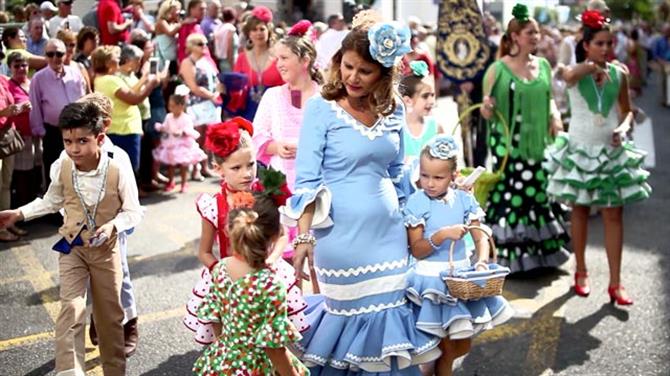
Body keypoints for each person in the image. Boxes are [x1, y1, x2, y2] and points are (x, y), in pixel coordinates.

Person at [284, 11, 440, 373]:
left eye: (364, 71)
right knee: (349, 336)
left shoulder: (394, 110)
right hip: (339, 241)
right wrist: (303, 237)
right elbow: (306, 181)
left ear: (383, 74)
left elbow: (399, 174)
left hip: (390, 237)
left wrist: (416, 223)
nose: (353, 77)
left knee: (391, 330)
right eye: (348, 67)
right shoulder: (321, 110)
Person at [0, 101, 143, 375]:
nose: (74, 148)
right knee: (71, 310)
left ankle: (115, 370)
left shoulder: (118, 166)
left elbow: (133, 212)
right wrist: (19, 213)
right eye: (68, 141)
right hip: (73, 247)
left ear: (100, 138)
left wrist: (113, 225)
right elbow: (51, 201)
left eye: (82, 141)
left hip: (106, 249)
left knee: (110, 317)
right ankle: (69, 371)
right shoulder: (64, 164)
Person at [547, 10, 652, 306]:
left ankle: (616, 283)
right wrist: (592, 66)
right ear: (587, 44)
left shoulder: (620, 73)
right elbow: (567, 76)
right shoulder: (577, 69)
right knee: (579, 210)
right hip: (580, 148)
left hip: (610, 150)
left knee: (613, 214)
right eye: (600, 43)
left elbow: (627, 110)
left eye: (609, 43)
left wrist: (622, 127)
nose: (607, 49)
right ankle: (580, 271)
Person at [184, 118, 309, 345]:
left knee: (271, 339)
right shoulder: (213, 205)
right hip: (228, 280)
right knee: (233, 342)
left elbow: (281, 235)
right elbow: (204, 252)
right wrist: (222, 273)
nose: (247, 173)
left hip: (266, 274)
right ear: (217, 168)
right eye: (236, 167)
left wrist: (272, 259)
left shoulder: (265, 194)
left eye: (250, 164)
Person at [403, 135, 513, 376]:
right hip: (429, 284)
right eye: (424, 175)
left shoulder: (464, 199)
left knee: (459, 345)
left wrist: (482, 262)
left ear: (454, 175)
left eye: (438, 177)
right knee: (438, 345)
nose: (430, 183)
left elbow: (480, 235)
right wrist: (441, 236)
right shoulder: (417, 201)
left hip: (460, 282)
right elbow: (417, 249)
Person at [480, 4, 570, 273]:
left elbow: (549, 99)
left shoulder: (543, 66)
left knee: (537, 193)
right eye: (530, 32)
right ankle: (511, 257)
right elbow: (486, 111)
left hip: (538, 144)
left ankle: (540, 256)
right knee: (514, 195)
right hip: (508, 147)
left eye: (538, 33)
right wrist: (486, 108)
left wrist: (554, 116)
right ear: (515, 37)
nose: (536, 37)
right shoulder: (497, 69)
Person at [192, 189, 309, 375]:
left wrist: (227, 351)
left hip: (225, 360)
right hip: (257, 366)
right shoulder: (270, 284)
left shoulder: (220, 268)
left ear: (230, 229)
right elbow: (274, 349)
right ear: (274, 236)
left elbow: (215, 318)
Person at [74, 92, 141, 357]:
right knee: (90, 277)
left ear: (105, 125)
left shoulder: (118, 156)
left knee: (119, 275)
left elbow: (131, 203)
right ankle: (98, 317)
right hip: (81, 227)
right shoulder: (71, 152)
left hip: (113, 226)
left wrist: (116, 224)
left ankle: (130, 322)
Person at [252, 20, 322, 190]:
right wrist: (276, 147)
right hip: (280, 185)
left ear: (305, 61)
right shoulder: (272, 96)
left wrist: (309, 148)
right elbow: (256, 135)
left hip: (319, 183)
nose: (279, 65)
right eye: (277, 59)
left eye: (284, 58)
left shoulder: (325, 97)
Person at [92, 45, 159, 183]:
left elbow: (131, 92)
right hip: (124, 131)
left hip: (119, 130)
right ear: (107, 62)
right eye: (116, 58)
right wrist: (151, 85)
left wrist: (144, 80)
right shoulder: (110, 80)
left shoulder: (103, 79)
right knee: (129, 172)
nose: (119, 60)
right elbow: (135, 99)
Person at [29, 38, 86, 189]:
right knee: (54, 173)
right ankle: (53, 211)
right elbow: (35, 106)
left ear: (65, 54)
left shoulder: (75, 74)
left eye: (59, 54)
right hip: (53, 132)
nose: (55, 58)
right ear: (46, 56)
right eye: (50, 54)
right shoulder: (38, 78)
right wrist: (41, 131)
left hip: (77, 130)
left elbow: (83, 99)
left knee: (78, 171)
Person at [179, 33, 221, 180]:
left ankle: (205, 166)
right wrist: (212, 96)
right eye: (200, 44)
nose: (204, 46)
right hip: (197, 105)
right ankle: (195, 169)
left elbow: (216, 81)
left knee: (209, 138)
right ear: (191, 46)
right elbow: (193, 87)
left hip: (211, 105)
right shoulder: (187, 62)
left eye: (205, 43)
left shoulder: (207, 61)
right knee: (197, 138)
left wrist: (217, 93)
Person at [233, 6, 284, 121]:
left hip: (276, 113)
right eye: (254, 30)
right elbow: (235, 88)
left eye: (262, 29)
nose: (258, 33)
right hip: (248, 113)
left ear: (268, 31)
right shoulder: (242, 58)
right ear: (249, 34)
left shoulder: (279, 56)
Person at [153, 87, 206, 193]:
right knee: (171, 165)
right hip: (171, 143)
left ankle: (183, 183)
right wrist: (160, 127)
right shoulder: (169, 117)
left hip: (183, 145)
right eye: (169, 105)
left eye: (173, 106)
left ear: (181, 106)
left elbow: (189, 129)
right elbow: (166, 126)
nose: (170, 108)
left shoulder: (186, 118)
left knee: (183, 165)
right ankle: (171, 181)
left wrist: (182, 132)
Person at [7, 53, 41, 215]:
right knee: (22, 173)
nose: (21, 68)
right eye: (17, 65)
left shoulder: (33, 83)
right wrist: (20, 109)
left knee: (36, 171)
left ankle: (34, 207)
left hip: (37, 134)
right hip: (21, 136)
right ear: (10, 67)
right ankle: (22, 210)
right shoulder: (8, 86)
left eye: (24, 65)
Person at [0, 65, 31, 242]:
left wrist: (19, 109)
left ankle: (5, 224)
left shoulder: (3, 80)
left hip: (6, 137)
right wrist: (4, 112)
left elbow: (10, 104)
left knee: (6, 184)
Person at [399, 60, 443, 163]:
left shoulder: (436, 127)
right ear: (408, 101)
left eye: (432, 95)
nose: (431, 101)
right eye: (425, 96)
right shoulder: (398, 128)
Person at [57, 29, 92, 93]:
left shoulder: (80, 67)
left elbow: (89, 92)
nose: (68, 48)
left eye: (72, 45)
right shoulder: (53, 68)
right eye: (65, 44)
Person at [212, 6, 238, 73]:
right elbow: (229, 47)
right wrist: (232, 65)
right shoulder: (230, 28)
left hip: (220, 61)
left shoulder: (218, 28)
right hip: (230, 61)